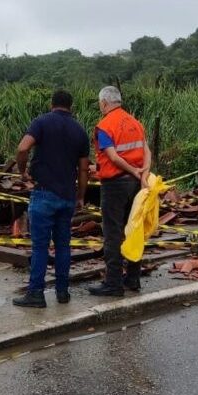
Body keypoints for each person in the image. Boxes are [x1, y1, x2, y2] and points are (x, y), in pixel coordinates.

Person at [12, 90, 90, 308]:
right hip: (67, 197)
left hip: (44, 194)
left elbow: (22, 148)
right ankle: (63, 292)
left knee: (40, 247)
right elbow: (84, 169)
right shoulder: (80, 131)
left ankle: (36, 293)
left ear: (51, 104)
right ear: (71, 106)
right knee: (64, 246)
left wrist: (22, 171)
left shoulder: (41, 122)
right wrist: (81, 196)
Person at [88, 86, 151, 297]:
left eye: (100, 104)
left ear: (104, 103)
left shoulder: (105, 125)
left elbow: (113, 157)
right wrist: (142, 175)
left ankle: (113, 283)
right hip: (135, 182)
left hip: (115, 183)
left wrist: (132, 169)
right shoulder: (135, 122)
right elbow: (147, 151)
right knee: (133, 229)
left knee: (112, 232)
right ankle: (133, 278)